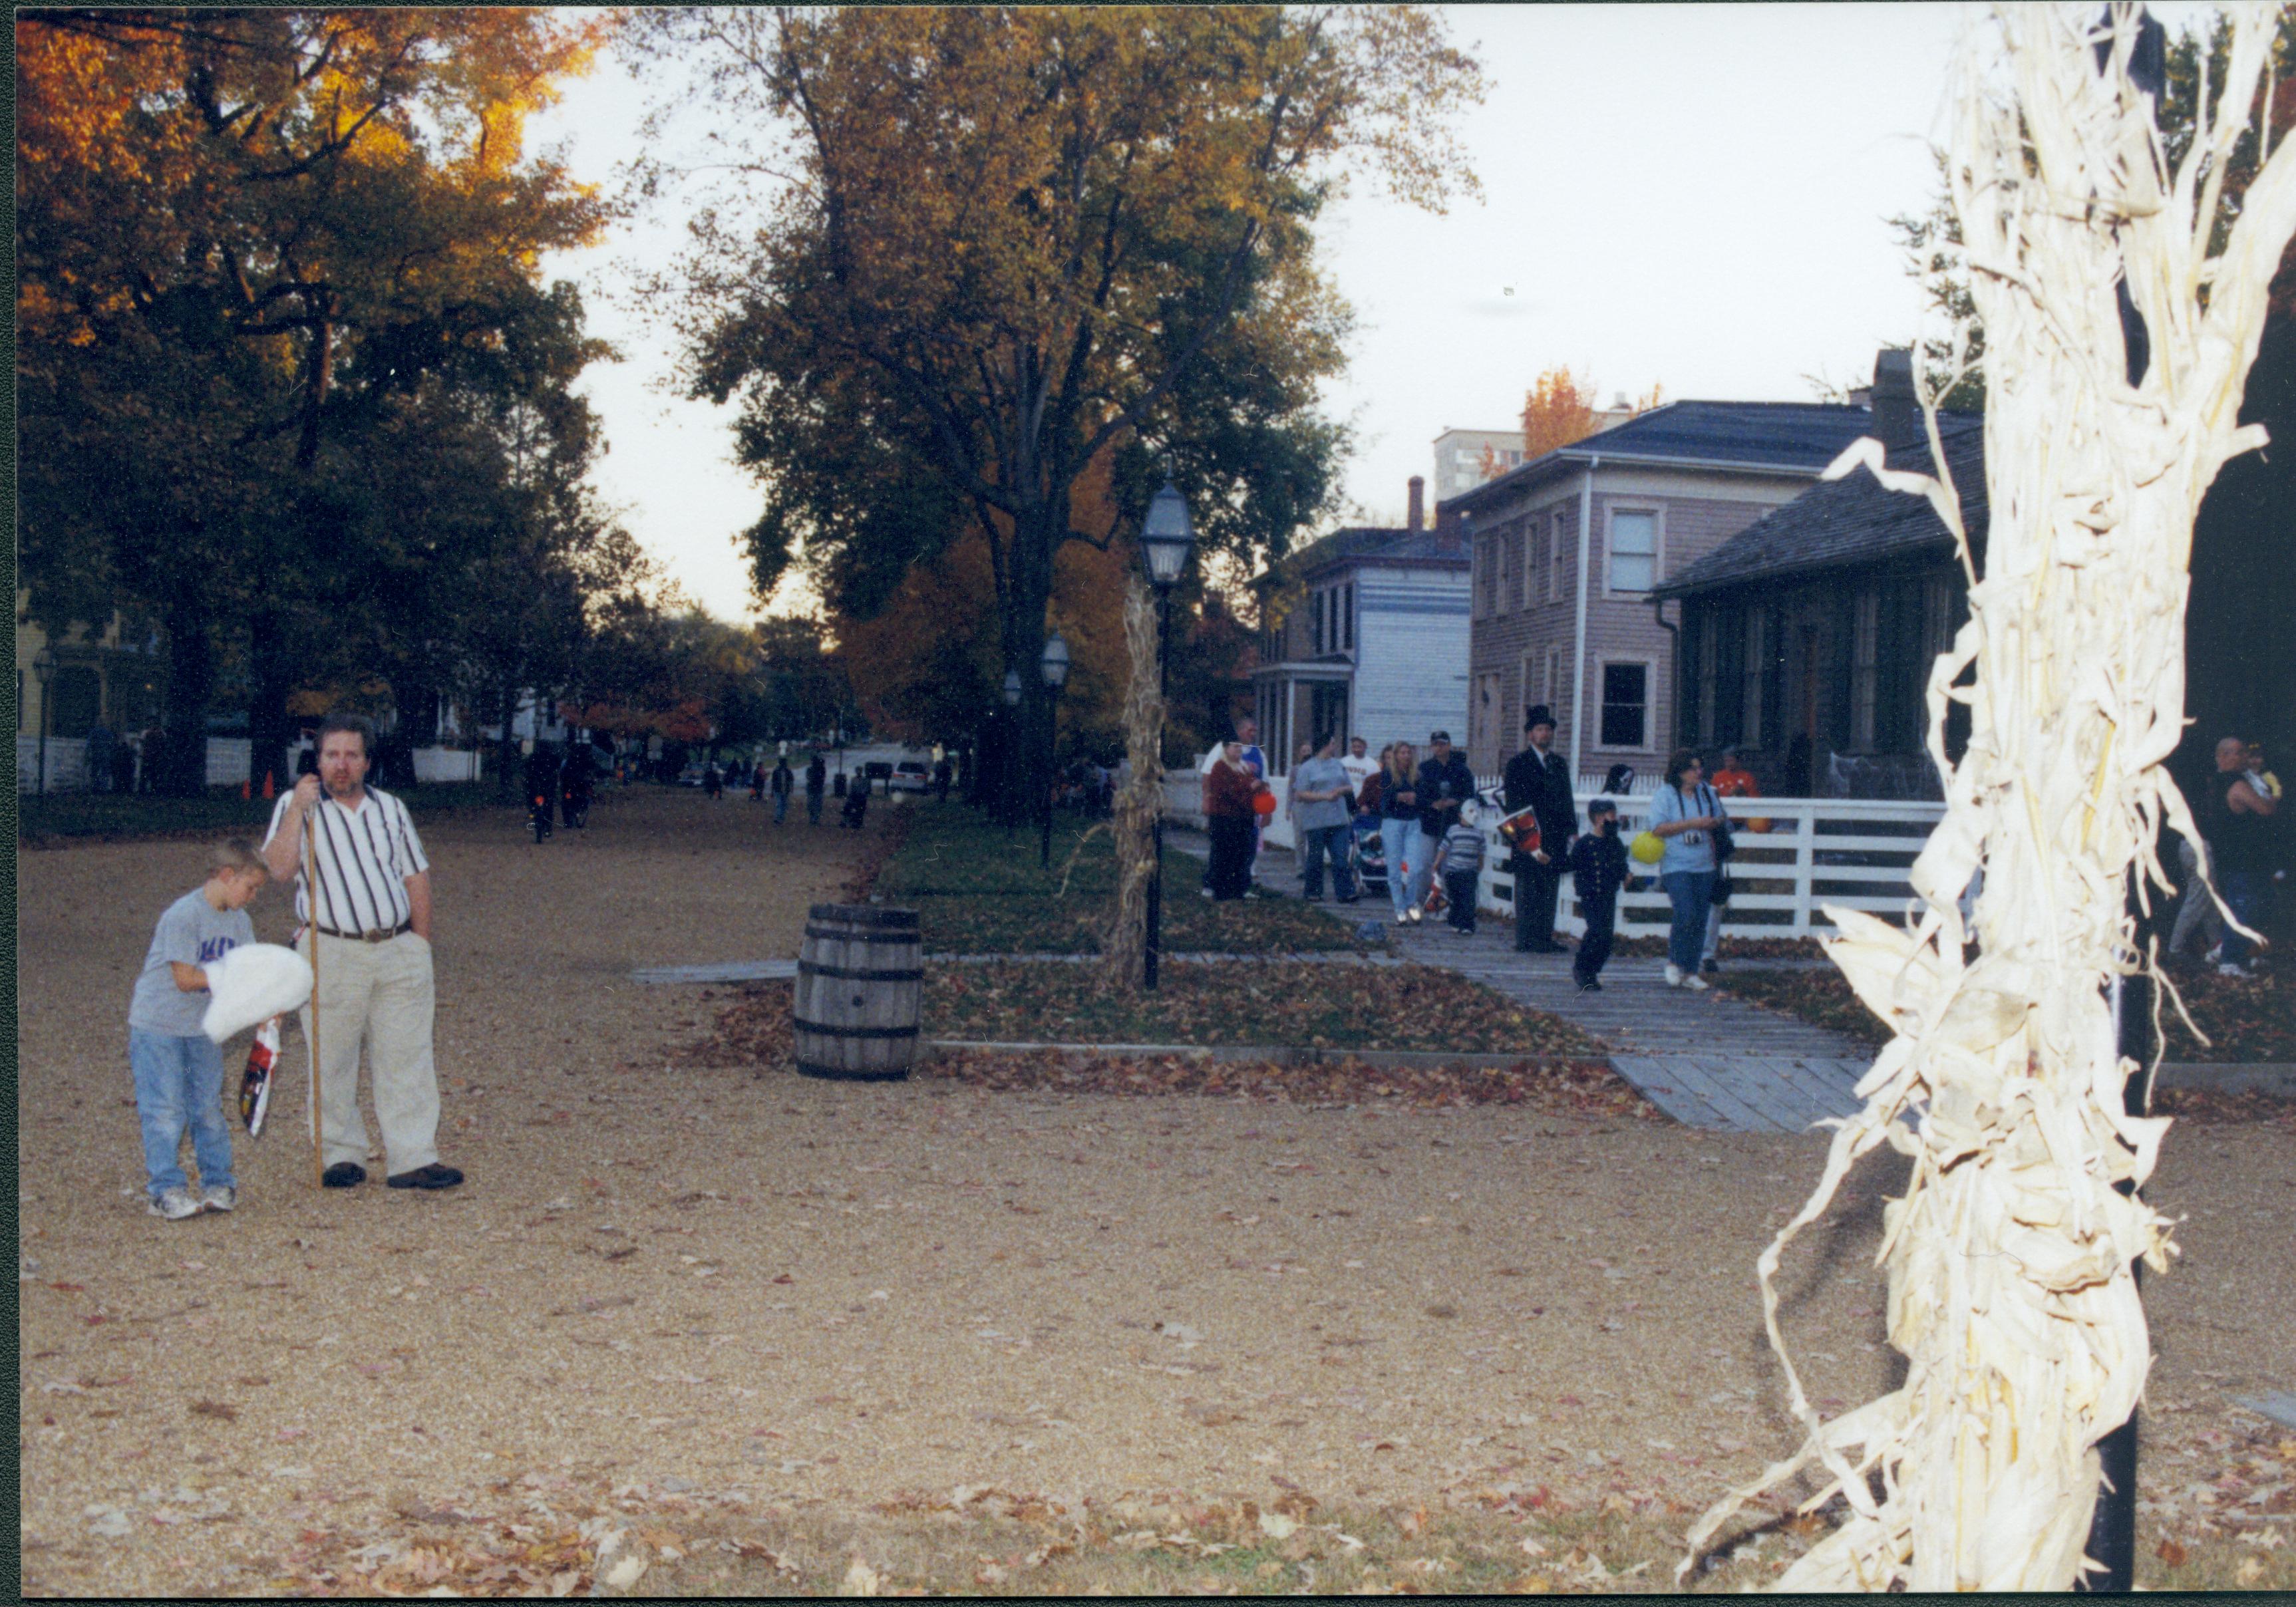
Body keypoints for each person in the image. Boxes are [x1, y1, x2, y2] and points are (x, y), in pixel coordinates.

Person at [261, 710, 462, 1191]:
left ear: (367, 762)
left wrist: (419, 942)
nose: (341, 765)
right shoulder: (297, 806)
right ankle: (339, 1154)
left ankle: (412, 1156)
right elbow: (279, 870)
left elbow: (415, 874)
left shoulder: (391, 809)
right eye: (332, 755)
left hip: (396, 947)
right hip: (330, 949)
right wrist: (295, 811)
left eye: (351, 755)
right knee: (331, 1059)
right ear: (318, 759)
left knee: (406, 1056)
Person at [128, 841, 270, 1219]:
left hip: (201, 1032)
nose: (253, 896)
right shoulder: (184, 915)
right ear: (227, 876)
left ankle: (217, 1182)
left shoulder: (240, 922)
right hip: (160, 1029)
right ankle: (165, 1189)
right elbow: (186, 978)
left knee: (206, 1106)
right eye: (250, 887)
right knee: (165, 1109)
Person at [1648, 748, 1726, 990]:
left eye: (1700, 767)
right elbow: (1658, 828)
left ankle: (1691, 970)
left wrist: (1713, 823)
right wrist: (1693, 824)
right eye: (1693, 768)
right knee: (1686, 912)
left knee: (1701, 918)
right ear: (1680, 772)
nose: (1698, 772)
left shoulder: (1706, 792)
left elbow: (1721, 817)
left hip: (1704, 863)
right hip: (1676, 863)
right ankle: (1674, 962)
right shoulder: (1666, 795)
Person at [1502, 705, 1577, 955]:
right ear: (1530, 734)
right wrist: (1526, 837)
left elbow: (1567, 800)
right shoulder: (1518, 764)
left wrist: (1571, 830)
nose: (1545, 734)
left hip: (1554, 834)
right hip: (1528, 830)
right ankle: (1526, 939)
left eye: (1547, 729)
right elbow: (1514, 804)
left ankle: (1545, 938)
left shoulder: (1558, 764)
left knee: (1549, 885)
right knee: (1527, 885)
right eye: (1539, 729)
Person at [2206, 734, 2278, 975]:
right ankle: (2229, 960)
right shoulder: (2235, 784)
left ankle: (2239, 954)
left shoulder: (2219, 781)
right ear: (2224, 756)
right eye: (2239, 752)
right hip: (2241, 858)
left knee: (2249, 905)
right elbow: (2266, 809)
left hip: (2236, 857)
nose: (2245, 756)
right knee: (2242, 908)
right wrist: (2276, 796)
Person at [1566, 798, 1629, 991]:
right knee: (1596, 930)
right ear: (1598, 818)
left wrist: (1626, 875)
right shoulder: (1585, 843)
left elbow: (1621, 865)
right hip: (1590, 894)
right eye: (1610, 815)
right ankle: (1582, 967)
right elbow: (1571, 864)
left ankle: (1592, 970)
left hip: (1608, 894)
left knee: (1607, 937)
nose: (1614, 819)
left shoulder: (1615, 842)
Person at [1291, 730, 1359, 903]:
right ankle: (1313, 891)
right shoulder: (1308, 768)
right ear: (1326, 745)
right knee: (1315, 857)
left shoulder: (1338, 765)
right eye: (1333, 743)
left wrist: (1340, 791)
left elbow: (1349, 786)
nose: (1335, 746)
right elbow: (1299, 794)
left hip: (1338, 818)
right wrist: (1324, 796)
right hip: (1316, 820)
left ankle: (1345, 892)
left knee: (1340, 857)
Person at [1414, 731, 1476, 918]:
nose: (1439, 747)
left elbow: (1470, 795)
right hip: (1429, 824)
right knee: (1425, 865)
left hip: (1452, 826)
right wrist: (1432, 804)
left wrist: (1454, 802)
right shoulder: (1424, 769)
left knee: (1449, 867)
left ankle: (1446, 904)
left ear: (1449, 745)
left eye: (1442, 744)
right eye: (1435, 744)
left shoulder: (1461, 770)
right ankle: (1418, 902)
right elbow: (1418, 795)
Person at [1203, 740, 1259, 900]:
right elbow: (1226, 792)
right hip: (1224, 818)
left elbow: (1251, 787)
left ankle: (1238, 889)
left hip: (1243, 818)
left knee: (1241, 855)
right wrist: (1249, 789)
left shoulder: (1244, 768)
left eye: (1240, 747)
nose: (1239, 750)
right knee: (1223, 854)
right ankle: (1220, 890)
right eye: (1235, 747)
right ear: (1226, 749)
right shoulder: (1220, 767)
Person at [1377, 741, 1422, 923]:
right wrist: (1401, 797)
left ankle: (1411, 903)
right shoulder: (1388, 774)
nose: (1406, 756)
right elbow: (1385, 799)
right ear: (1396, 755)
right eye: (1402, 753)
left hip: (1412, 822)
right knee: (1394, 869)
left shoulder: (1417, 775)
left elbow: (1424, 797)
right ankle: (1399, 908)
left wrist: (1416, 798)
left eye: (1408, 752)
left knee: (1415, 868)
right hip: (1393, 822)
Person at [1436, 800, 1486, 935]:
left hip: (1469, 872)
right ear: (1460, 815)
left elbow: (1481, 853)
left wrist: (1480, 866)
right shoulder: (1453, 830)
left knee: (1468, 899)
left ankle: (1467, 925)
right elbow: (1443, 848)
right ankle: (1455, 921)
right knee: (1455, 899)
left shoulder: (1479, 834)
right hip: (1453, 872)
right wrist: (1437, 863)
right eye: (1470, 812)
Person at [522, 741, 560, 839]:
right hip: (544, 787)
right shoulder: (552, 758)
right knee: (548, 805)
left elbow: (526, 769)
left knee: (536, 804)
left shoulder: (533, 758)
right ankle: (547, 826)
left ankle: (544, 824)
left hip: (538, 787)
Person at [1340, 736, 1378, 805]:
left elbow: (1375, 788)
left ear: (1365, 747)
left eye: (1359, 747)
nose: (1356, 749)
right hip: (1345, 799)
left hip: (1362, 802)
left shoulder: (1373, 765)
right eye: (1354, 747)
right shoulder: (1344, 761)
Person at [770, 756, 795, 824]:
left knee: (783, 804)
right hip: (778, 790)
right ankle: (778, 818)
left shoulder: (787, 771)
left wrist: (791, 788)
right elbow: (773, 782)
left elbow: (791, 780)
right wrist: (772, 791)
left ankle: (781, 818)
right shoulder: (777, 771)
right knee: (780, 804)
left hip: (785, 790)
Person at [806, 752, 828, 824]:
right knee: (814, 805)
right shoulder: (817, 770)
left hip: (815, 789)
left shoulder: (820, 770)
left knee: (814, 805)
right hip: (815, 789)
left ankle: (814, 819)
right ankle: (814, 819)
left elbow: (809, 778)